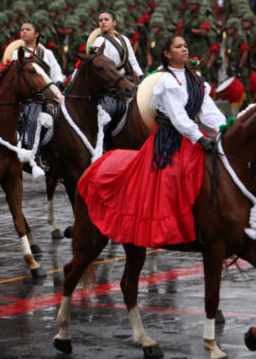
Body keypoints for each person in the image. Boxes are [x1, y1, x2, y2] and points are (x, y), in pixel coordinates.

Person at [76, 35, 225, 248]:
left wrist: (225, 129)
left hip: (190, 137)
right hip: (167, 141)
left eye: (185, 45)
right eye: (178, 46)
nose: (184, 49)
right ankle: (172, 226)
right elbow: (178, 118)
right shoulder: (165, 81)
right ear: (167, 54)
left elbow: (207, 111)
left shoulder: (197, 81)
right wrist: (200, 137)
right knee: (175, 175)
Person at [11, 20, 65, 154]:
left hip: (46, 96)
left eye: (28, 29)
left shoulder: (47, 54)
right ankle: (34, 156)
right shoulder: (16, 54)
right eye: (22, 29)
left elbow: (56, 72)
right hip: (27, 98)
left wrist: (58, 81)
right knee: (33, 118)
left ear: (37, 34)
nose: (23, 31)